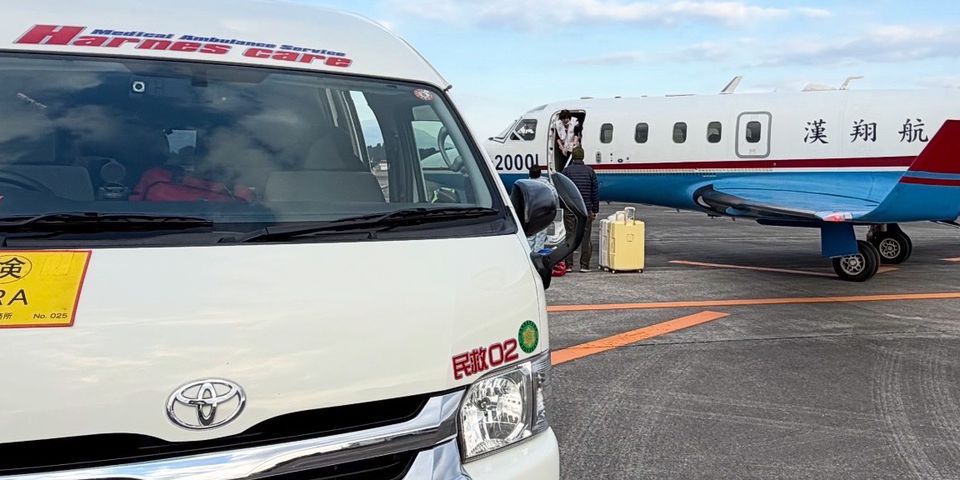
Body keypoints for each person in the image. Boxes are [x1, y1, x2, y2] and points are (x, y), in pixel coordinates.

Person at [561, 147, 599, 272]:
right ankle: (584, 265)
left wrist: (563, 206)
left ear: (573, 157)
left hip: (570, 209)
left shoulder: (566, 171)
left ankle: (568, 265)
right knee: (586, 238)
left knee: (570, 236)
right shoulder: (590, 171)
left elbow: (562, 191)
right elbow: (594, 192)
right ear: (582, 157)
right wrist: (595, 209)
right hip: (585, 209)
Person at [525, 164, 559, 253]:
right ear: (540, 173)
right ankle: (538, 255)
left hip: (530, 214)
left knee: (530, 237)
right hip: (543, 213)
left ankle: (529, 254)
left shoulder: (526, 184)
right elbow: (555, 196)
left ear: (530, 174)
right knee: (540, 235)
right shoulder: (546, 184)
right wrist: (554, 209)